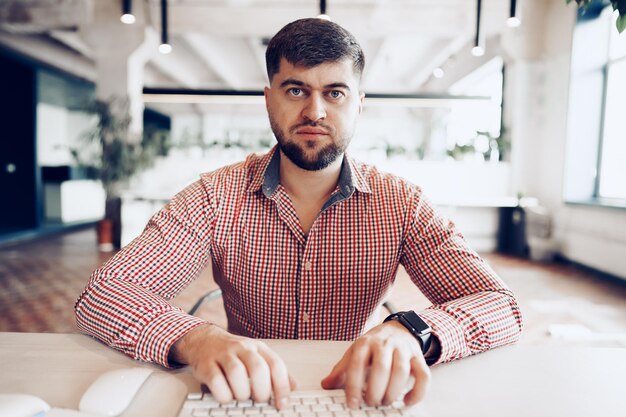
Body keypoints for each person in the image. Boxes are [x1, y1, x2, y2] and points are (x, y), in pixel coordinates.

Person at [75, 18, 523, 411]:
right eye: (296, 90)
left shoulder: (402, 203)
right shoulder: (216, 195)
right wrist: (199, 338)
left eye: (335, 93)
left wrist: (411, 330)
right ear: (269, 100)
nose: (314, 111)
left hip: (358, 391)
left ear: (358, 104)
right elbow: (103, 294)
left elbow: (501, 305)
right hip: (247, 395)